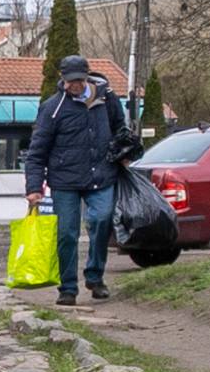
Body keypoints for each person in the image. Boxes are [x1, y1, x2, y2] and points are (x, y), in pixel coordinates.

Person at [25, 54, 134, 305]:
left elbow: (120, 129)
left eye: (78, 80)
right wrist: (34, 187)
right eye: (69, 81)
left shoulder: (107, 99)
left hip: (102, 173)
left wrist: (125, 152)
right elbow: (38, 149)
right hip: (65, 180)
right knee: (66, 234)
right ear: (62, 79)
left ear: (87, 77)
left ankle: (95, 277)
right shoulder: (52, 108)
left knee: (101, 220)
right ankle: (68, 288)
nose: (74, 85)